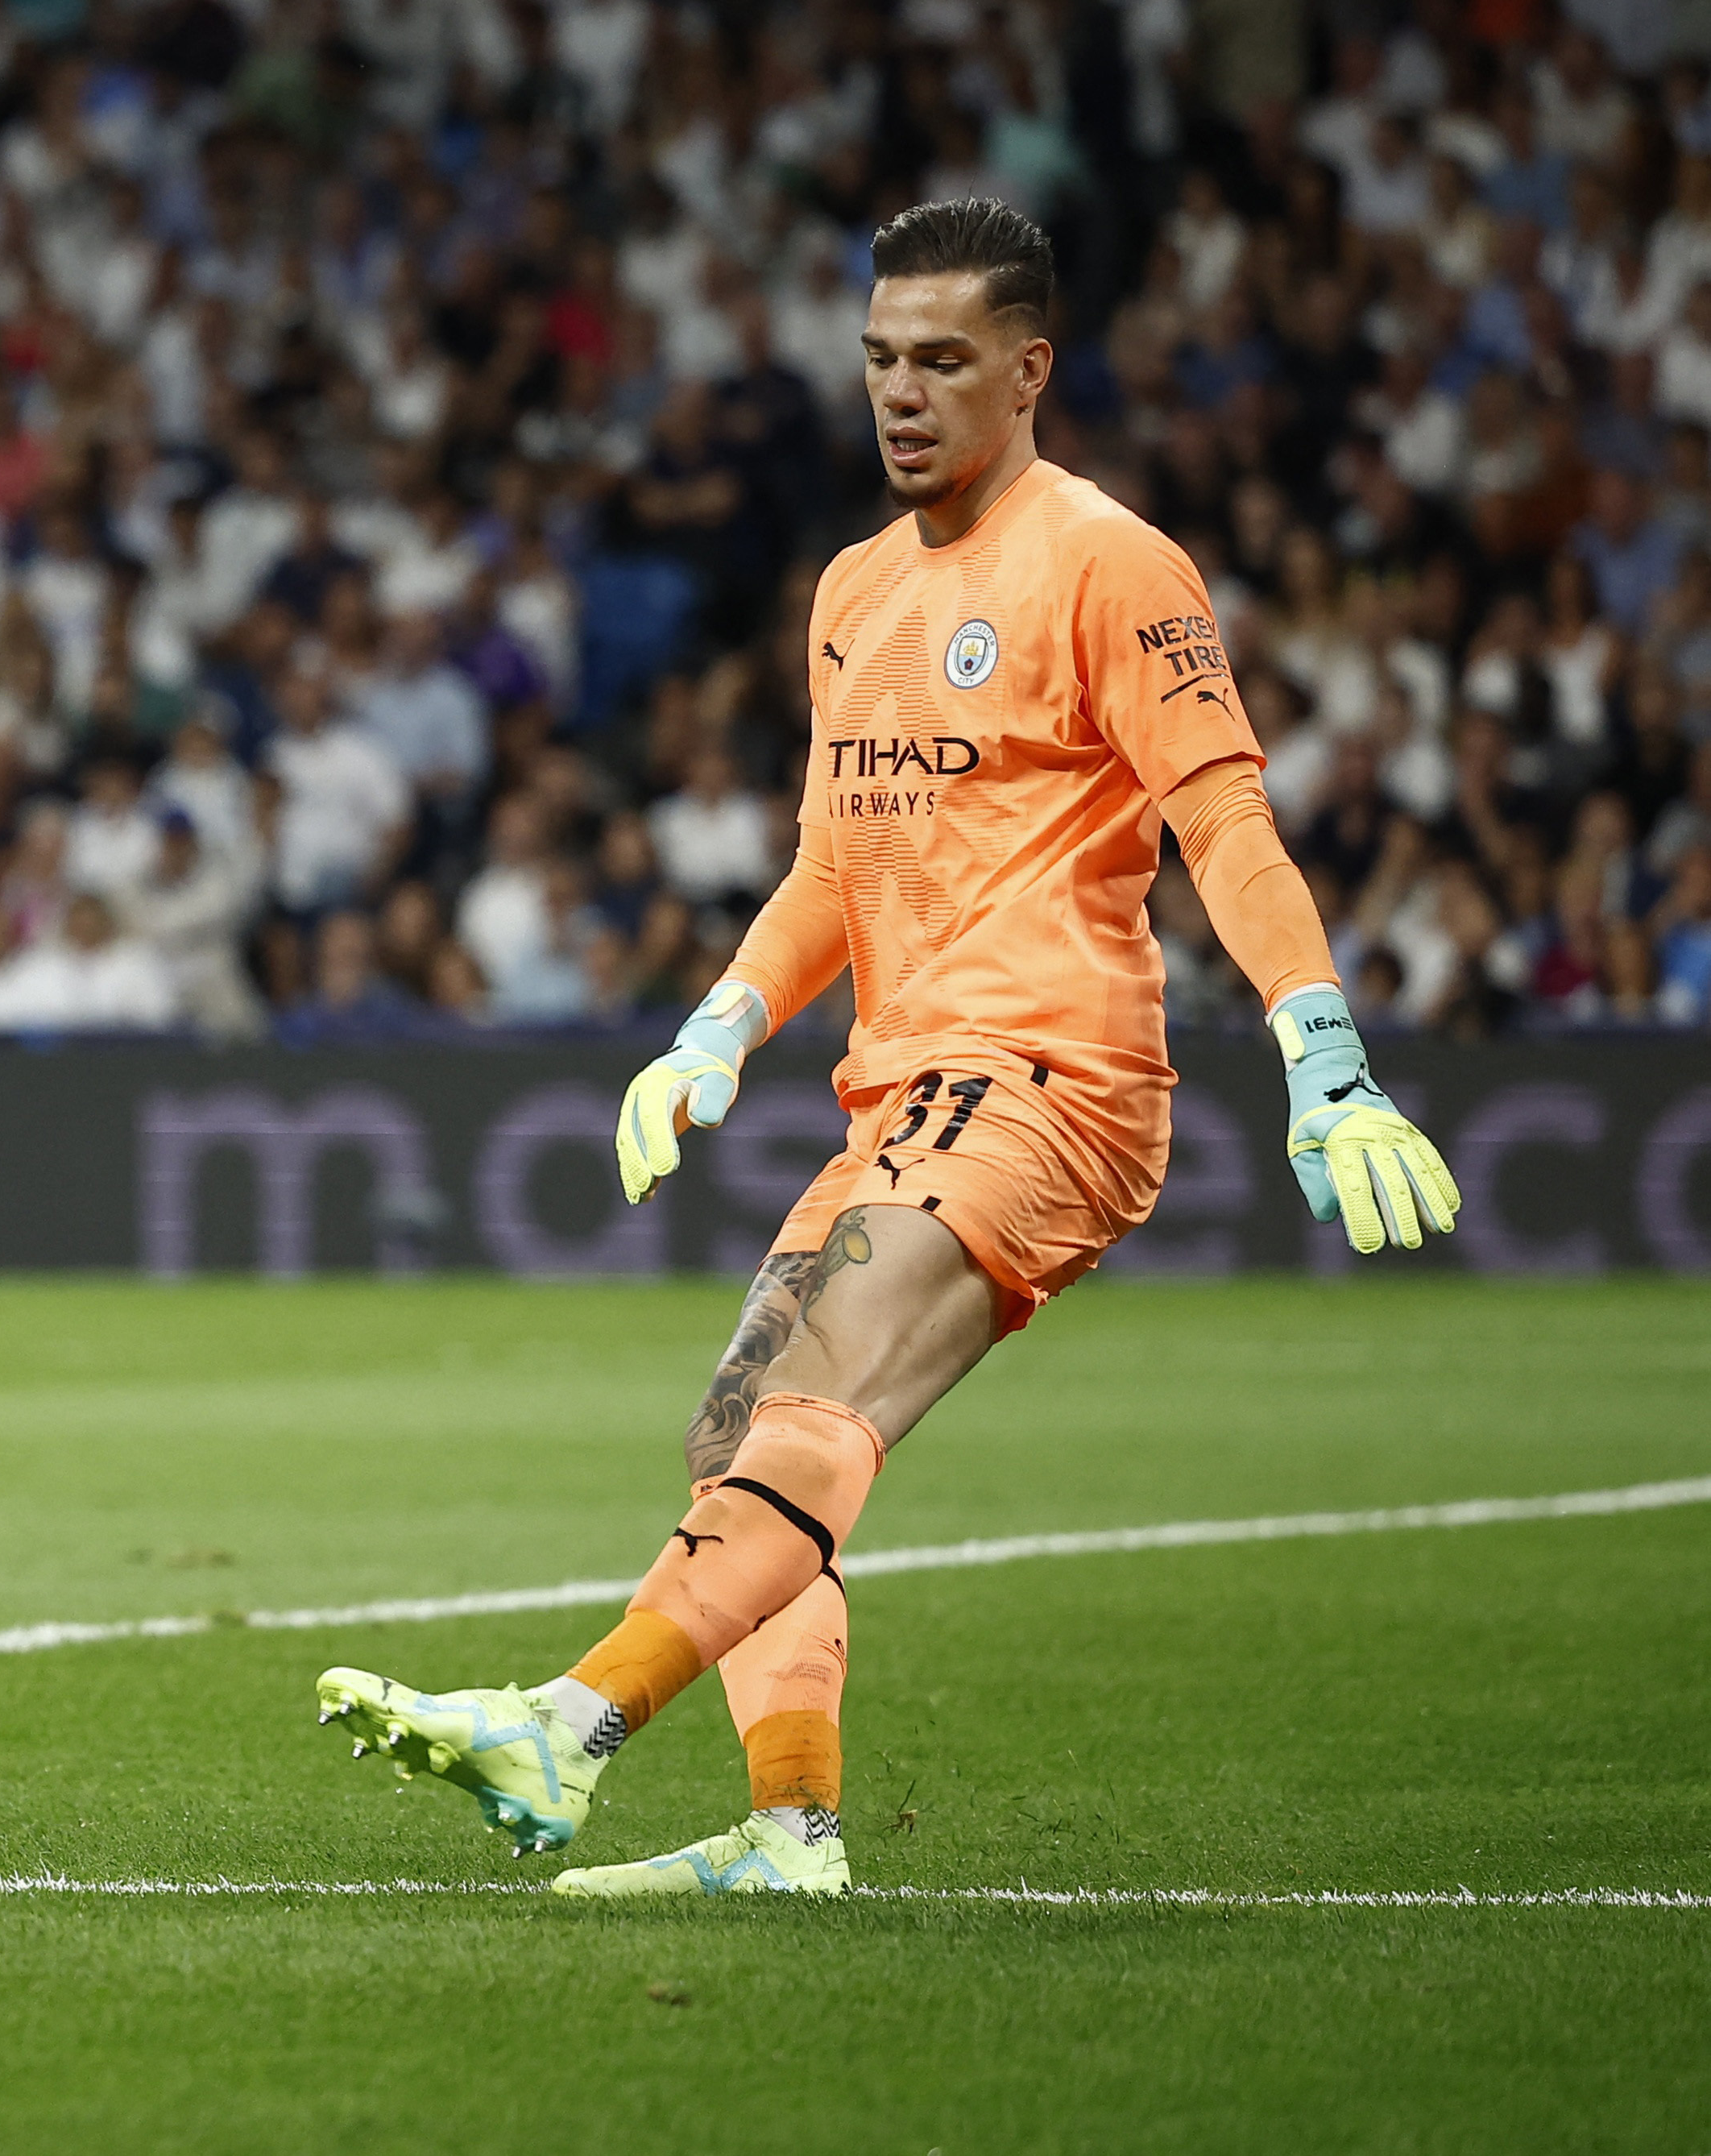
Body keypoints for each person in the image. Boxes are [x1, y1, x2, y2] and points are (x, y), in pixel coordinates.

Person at [314, 201, 1460, 1897]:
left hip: (1051, 1075)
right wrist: (713, 1030)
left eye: (941, 360)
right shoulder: (852, 591)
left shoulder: (1108, 561)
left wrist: (1325, 1049)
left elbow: (1223, 820)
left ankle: (572, 1717)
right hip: (904, 1084)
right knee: (739, 1439)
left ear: (1028, 368)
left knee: (816, 1390)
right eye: (878, 360)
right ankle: (790, 1829)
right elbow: (834, 869)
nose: (901, 394)